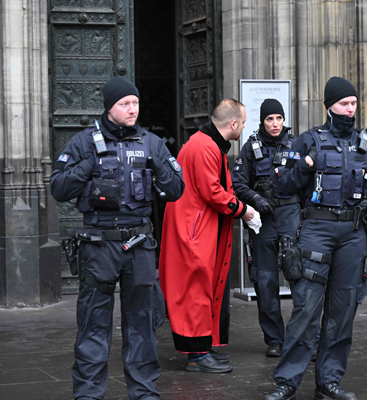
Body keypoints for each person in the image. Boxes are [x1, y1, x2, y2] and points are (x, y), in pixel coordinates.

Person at [49, 77, 184, 400]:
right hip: (99, 246)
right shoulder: (83, 142)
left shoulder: (151, 142)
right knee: (93, 325)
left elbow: (176, 189)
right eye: (125, 103)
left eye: (135, 103)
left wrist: (157, 167)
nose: (132, 109)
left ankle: (144, 391)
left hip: (139, 245)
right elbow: (58, 188)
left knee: (142, 324)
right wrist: (88, 166)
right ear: (109, 107)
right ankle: (88, 394)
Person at [264, 77, 367, 400]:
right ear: (329, 105)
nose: (350, 109)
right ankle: (287, 383)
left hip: (352, 233)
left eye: (354, 103)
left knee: (343, 311)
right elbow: (283, 187)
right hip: (316, 231)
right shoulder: (308, 141)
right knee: (306, 309)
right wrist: (304, 166)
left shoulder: (364, 141)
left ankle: (329, 382)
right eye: (345, 103)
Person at [159, 99, 257, 373]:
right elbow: (213, 192)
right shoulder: (205, 147)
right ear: (233, 124)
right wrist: (244, 211)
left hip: (195, 227)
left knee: (200, 288)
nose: (245, 127)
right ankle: (197, 355)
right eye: (244, 122)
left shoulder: (203, 143)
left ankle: (201, 349)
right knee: (196, 289)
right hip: (195, 231)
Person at [232, 98, 299, 357]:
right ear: (262, 121)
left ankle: (303, 337)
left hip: (291, 216)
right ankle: (275, 340)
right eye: (270, 119)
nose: (274, 124)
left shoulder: (297, 145)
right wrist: (256, 199)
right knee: (265, 281)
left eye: (278, 119)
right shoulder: (250, 148)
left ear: (284, 120)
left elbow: (308, 182)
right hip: (263, 221)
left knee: (299, 277)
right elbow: (237, 184)